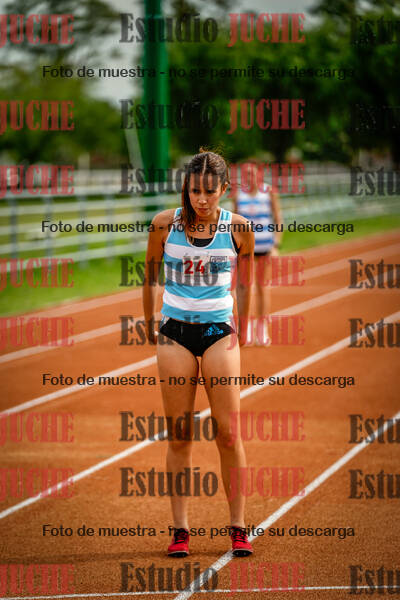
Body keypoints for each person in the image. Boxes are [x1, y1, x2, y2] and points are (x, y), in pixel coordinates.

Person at [142, 150, 255, 557]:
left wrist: (244, 326)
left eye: (210, 191)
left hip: (218, 333)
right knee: (180, 434)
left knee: (228, 433)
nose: (201, 199)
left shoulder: (239, 228)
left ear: (224, 188)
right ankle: (180, 530)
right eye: (194, 191)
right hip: (175, 332)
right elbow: (150, 275)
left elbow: (244, 282)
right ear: (185, 189)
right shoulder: (163, 224)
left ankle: (238, 527)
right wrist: (150, 322)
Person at [233, 161, 283, 346]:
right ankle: (245, 329)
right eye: (246, 174)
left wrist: (276, 244)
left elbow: (278, 219)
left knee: (262, 287)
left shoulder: (269, 192)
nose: (249, 177)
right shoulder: (238, 195)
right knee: (245, 288)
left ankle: (262, 329)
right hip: (245, 250)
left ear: (259, 175)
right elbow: (235, 222)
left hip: (264, 247)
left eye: (252, 174)